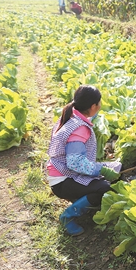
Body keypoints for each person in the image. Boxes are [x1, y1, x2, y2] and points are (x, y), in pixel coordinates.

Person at [46, 85, 121, 236]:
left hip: (63, 172)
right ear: (93, 106)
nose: (100, 106)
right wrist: (102, 169)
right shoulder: (79, 129)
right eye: (99, 103)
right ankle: (68, 216)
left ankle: (80, 199)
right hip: (62, 181)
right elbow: (76, 163)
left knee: (116, 166)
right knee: (104, 188)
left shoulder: (71, 115)